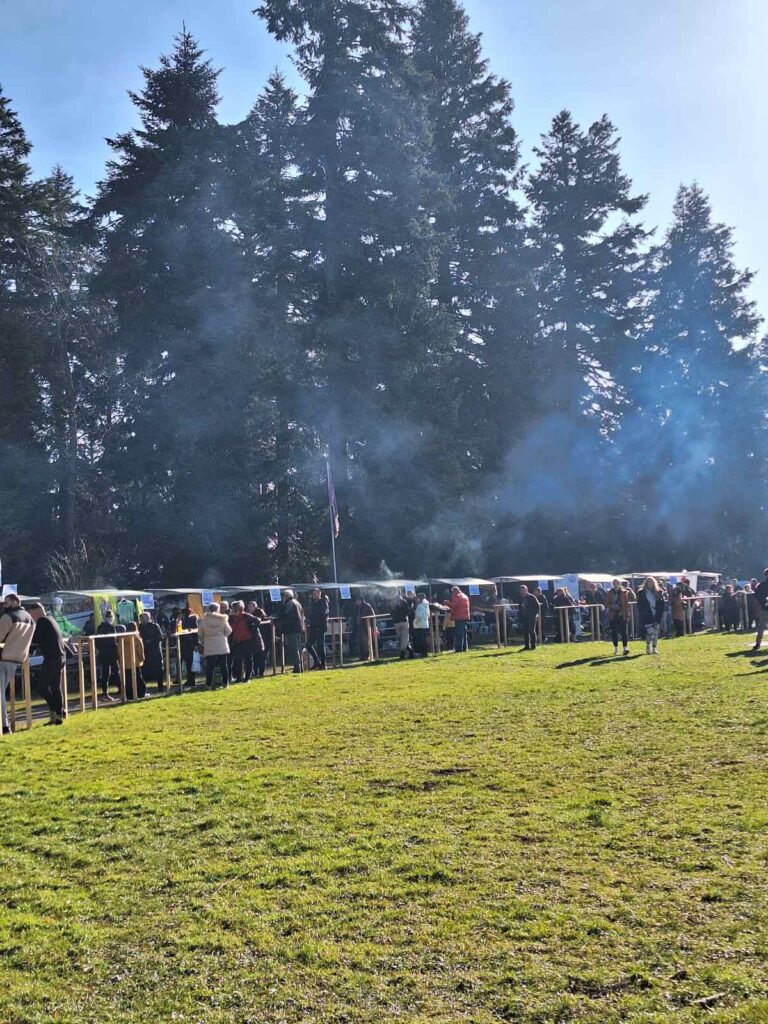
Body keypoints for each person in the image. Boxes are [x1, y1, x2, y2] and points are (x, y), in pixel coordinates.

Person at [0, 594, 35, 734]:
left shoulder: (7, 617)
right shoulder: (30, 618)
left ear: (14, 602)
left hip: (3, 657)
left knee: (0, 693)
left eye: (6, 603)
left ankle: (4, 725)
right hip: (19, 659)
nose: (4, 605)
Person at [28, 603, 68, 724]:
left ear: (35, 612)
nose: (31, 617)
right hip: (60, 656)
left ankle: (57, 708)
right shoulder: (51, 619)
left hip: (52, 658)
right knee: (55, 687)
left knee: (41, 687)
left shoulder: (42, 621)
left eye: (31, 614)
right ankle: (58, 716)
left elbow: (35, 639)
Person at [198, 602, 232, 688]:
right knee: (223, 665)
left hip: (209, 645)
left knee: (210, 666)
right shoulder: (223, 619)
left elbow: (200, 633)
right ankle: (225, 683)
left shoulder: (204, 621)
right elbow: (229, 631)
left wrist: (205, 639)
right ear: (218, 610)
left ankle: (208, 684)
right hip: (222, 644)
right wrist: (222, 636)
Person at [95, 609, 123, 701]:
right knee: (116, 671)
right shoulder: (111, 628)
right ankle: (122, 689)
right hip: (111, 653)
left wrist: (100, 649)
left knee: (105, 674)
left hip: (103, 653)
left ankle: (105, 692)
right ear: (112, 618)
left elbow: (97, 642)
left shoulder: (99, 628)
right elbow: (113, 641)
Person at [275, 590, 305, 673]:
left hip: (292, 629)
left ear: (286, 596)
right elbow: (302, 615)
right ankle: (300, 667)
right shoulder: (297, 603)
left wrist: (278, 622)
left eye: (283, 596)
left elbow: (286, 617)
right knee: (297, 648)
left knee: (293, 649)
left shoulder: (289, 604)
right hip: (299, 628)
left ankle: (297, 668)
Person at [604, 578, 635, 656]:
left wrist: (627, 615)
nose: (616, 585)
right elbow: (606, 603)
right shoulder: (609, 592)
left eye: (617, 583)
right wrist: (612, 606)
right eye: (614, 583)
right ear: (612, 584)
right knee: (614, 632)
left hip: (622, 614)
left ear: (620, 584)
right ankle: (616, 648)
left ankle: (625, 648)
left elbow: (627, 604)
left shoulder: (624, 592)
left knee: (624, 632)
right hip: (613, 615)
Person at [229, 600, 258, 682]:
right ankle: (239, 678)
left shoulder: (246, 616)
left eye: (233, 608)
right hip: (237, 641)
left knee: (248, 659)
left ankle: (247, 677)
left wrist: (251, 630)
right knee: (238, 660)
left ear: (237, 609)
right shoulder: (231, 618)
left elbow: (257, 620)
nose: (231, 610)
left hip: (247, 641)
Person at [636, 577, 665, 655]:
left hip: (656, 614)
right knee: (650, 632)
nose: (650, 583)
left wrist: (660, 613)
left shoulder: (659, 592)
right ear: (646, 583)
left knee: (656, 632)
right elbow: (639, 605)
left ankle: (654, 648)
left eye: (652, 582)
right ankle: (648, 645)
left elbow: (662, 603)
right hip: (647, 615)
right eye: (649, 582)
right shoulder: (642, 593)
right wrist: (642, 613)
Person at [120, 621, 146, 699]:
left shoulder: (122, 638)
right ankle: (140, 693)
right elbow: (140, 650)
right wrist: (142, 658)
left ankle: (129, 695)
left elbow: (119, 650)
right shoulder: (136, 638)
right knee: (138, 678)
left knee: (128, 679)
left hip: (125, 663)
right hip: (135, 662)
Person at [138, 612, 165, 689]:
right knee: (144, 669)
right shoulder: (139, 627)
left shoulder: (154, 626)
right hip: (145, 651)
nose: (142, 619)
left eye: (144, 618)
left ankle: (160, 686)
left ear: (148, 618)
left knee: (159, 668)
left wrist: (151, 640)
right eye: (141, 618)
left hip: (155, 650)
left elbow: (160, 637)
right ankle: (143, 688)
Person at [307, 588, 329, 670]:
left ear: (319, 594)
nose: (313, 595)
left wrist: (317, 623)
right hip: (313, 626)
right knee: (308, 645)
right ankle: (317, 661)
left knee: (320, 646)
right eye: (313, 594)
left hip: (320, 627)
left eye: (315, 593)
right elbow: (312, 614)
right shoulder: (313, 603)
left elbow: (324, 614)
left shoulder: (323, 602)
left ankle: (323, 664)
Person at [247, 602, 269, 678]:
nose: (248, 608)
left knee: (261, 657)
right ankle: (256, 673)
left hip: (262, 638)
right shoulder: (249, 615)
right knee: (256, 657)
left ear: (254, 607)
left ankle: (260, 673)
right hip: (255, 639)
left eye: (250, 606)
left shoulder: (259, 614)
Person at [390, 591, 414, 660]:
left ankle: (404, 653)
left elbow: (391, 612)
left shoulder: (394, 602)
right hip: (402, 621)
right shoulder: (403, 601)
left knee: (402, 638)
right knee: (404, 638)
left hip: (398, 622)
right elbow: (408, 610)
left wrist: (395, 617)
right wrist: (403, 616)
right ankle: (409, 651)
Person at [447, 586, 471, 653]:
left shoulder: (456, 596)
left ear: (454, 591)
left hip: (459, 616)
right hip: (465, 616)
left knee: (458, 633)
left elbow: (454, 605)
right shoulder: (464, 595)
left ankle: (459, 648)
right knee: (464, 633)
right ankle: (465, 647)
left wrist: (447, 603)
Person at [352, 595, 376, 661]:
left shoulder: (367, 606)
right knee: (360, 642)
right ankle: (362, 655)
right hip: (359, 626)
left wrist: (372, 626)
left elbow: (372, 615)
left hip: (365, 626)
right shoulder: (357, 607)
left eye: (357, 600)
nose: (356, 602)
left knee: (365, 642)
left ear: (360, 600)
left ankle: (366, 655)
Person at [518, 585, 541, 651]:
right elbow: (520, 607)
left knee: (531, 631)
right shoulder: (521, 598)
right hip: (524, 617)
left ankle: (533, 645)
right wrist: (520, 615)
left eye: (523, 590)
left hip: (531, 617)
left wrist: (534, 614)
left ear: (526, 590)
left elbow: (537, 606)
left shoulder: (532, 597)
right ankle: (527, 645)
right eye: (521, 591)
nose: (522, 592)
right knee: (525, 632)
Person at [180, 607, 199, 687]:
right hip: (187, 644)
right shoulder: (187, 620)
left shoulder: (191, 620)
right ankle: (190, 680)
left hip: (189, 644)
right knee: (189, 663)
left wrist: (196, 644)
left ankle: (191, 680)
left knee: (190, 663)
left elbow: (195, 633)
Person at [751, 569, 768, 651]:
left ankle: (758, 644)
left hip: (764, 608)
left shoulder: (761, 585)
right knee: (761, 627)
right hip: (765, 608)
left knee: (761, 627)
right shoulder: (762, 585)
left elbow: (756, 596)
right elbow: (757, 596)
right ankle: (758, 643)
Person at [412, 593, 431, 657]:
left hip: (419, 625)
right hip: (425, 624)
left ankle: (420, 652)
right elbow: (428, 615)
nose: (416, 599)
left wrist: (415, 622)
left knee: (419, 640)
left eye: (417, 598)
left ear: (420, 598)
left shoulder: (419, 606)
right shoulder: (426, 605)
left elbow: (418, 616)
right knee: (424, 639)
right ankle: (425, 652)